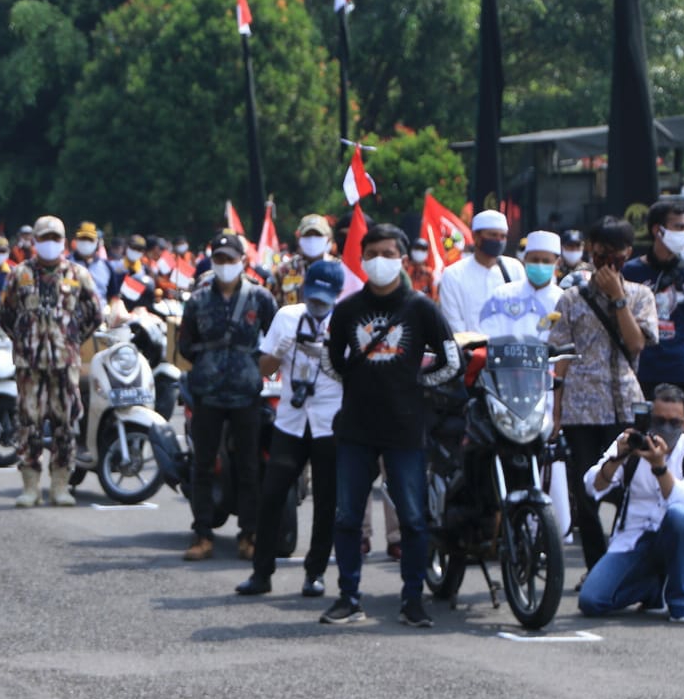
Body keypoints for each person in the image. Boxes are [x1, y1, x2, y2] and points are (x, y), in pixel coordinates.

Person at [319, 223, 460, 627]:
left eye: (387, 253)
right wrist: (358, 383)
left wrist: (416, 384)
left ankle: (412, 599)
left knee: (413, 520)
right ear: (360, 260)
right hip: (355, 429)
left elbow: (452, 362)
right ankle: (348, 597)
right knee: (347, 517)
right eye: (371, 253)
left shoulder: (421, 308)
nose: (379, 260)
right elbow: (330, 360)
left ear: (401, 258)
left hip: (405, 430)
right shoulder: (346, 309)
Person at [550, 216, 657, 585]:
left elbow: (636, 343)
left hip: (624, 404)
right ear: (591, 253)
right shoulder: (570, 299)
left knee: (627, 486)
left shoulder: (641, 295)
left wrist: (618, 299)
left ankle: (625, 561)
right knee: (587, 490)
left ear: (629, 253)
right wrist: (557, 410)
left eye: (617, 254)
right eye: (601, 254)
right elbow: (560, 357)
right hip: (581, 407)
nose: (609, 262)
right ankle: (597, 569)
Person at [236, 260, 344, 598]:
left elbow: (355, 376)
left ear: (337, 296)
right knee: (272, 496)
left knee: (327, 500)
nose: (317, 305)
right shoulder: (287, 316)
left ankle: (315, 573)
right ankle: (261, 573)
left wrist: (327, 354)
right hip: (291, 421)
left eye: (325, 300)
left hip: (329, 421)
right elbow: (263, 368)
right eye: (313, 297)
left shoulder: (345, 322)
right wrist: (284, 348)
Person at [177, 232, 277, 561]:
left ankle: (249, 534)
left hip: (247, 392)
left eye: (230, 260)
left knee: (249, 466)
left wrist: (248, 366)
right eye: (218, 259)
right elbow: (185, 345)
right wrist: (211, 364)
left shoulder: (260, 298)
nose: (224, 266)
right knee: (203, 464)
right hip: (207, 392)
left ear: (242, 262)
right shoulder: (198, 300)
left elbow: (274, 338)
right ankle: (202, 534)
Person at [579, 384, 684, 623]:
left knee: (679, 515)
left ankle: (678, 604)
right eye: (659, 420)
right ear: (648, 419)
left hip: (679, 538)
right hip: (633, 540)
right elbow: (592, 486)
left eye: (673, 423)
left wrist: (659, 466)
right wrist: (618, 457)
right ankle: (652, 588)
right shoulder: (631, 443)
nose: (665, 428)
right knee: (592, 600)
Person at [0, 216, 102, 506]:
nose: (50, 244)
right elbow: (7, 315)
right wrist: (23, 339)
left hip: (63, 362)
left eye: (55, 239)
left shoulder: (77, 274)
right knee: (28, 422)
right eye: (44, 238)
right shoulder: (19, 274)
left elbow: (94, 315)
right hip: (29, 364)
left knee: (65, 423)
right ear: (34, 241)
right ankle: (31, 486)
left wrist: (70, 339)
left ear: (64, 241)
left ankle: (60, 486)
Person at [477, 230, 572, 540]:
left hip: (546, 390)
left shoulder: (565, 300)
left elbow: (567, 350)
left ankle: (551, 532)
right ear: (524, 259)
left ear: (557, 263)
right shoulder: (504, 296)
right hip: (507, 390)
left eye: (547, 261)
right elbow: (488, 338)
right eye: (534, 260)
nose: (540, 266)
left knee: (549, 460)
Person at [622, 200, 684, 408]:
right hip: (641, 371)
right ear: (657, 230)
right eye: (679, 227)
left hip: (681, 371)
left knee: (678, 435)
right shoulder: (630, 272)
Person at [437, 209, 525, 332]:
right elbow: (453, 322)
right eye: (492, 235)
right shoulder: (453, 275)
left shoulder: (514, 269)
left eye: (503, 236)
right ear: (475, 236)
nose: (498, 240)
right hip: (469, 348)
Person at [269, 214, 336, 306]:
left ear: (328, 239)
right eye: (307, 235)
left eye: (318, 235)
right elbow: (273, 304)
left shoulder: (338, 269)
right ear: (299, 238)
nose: (312, 239)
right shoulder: (283, 271)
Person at [70, 220, 112, 302]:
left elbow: (113, 296)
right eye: (82, 238)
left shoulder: (106, 267)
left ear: (97, 242)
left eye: (90, 239)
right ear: (76, 240)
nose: (86, 242)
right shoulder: (65, 264)